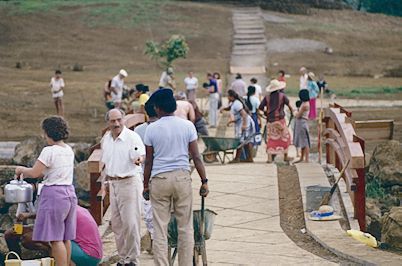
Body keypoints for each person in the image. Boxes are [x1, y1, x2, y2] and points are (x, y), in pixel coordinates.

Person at [143, 89, 209, 266]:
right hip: (181, 178)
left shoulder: (151, 129)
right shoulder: (187, 126)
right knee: (185, 227)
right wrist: (204, 181)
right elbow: (196, 157)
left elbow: (148, 161)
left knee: (160, 228)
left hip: (159, 180)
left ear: (157, 109)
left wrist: (145, 186)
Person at [15, 116, 77, 265]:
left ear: (48, 132)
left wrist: (21, 169)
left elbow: (35, 173)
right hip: (69, 193)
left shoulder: (49, 151)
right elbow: (47, 171)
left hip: (54, 195)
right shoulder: (68, 149)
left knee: (55, 240)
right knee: (65, 237)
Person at [101, 109, 145, 266]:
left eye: (119, 120)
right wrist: (104, 185)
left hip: (129, 182)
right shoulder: (106, 139)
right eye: (113, 121)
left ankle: (133, 259)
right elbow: (105, 164)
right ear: (108, 122)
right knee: (118, 225)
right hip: (113, 183)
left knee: (131, 223)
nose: (117, 123)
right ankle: (123, 257)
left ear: (123, 119)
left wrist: (139, 159)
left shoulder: (132, 137)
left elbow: (141, 155)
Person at [5, 204, 103, 266]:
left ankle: (66, 263)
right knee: (19, 235)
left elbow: (49, 232)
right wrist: (28, 216)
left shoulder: (65, 212)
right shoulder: (71, 207)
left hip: (88, 256)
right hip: (92, 254)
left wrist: (27, 225)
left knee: (30, 239)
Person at [133, 101, 158, 254]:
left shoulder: (138, 130)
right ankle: (160, 239)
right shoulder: (164, 128)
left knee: (148, 209)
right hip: (162, 172)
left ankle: (154, 239)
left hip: (144, 173)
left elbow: (136, 153)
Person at [259, 80, 294, 163]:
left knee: (271, 138)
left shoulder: (267, 97)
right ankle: (285, 156)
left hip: (270, 121)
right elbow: (290, 106)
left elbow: (260, 108)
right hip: (280, 120)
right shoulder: (283, 96)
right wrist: (292, 114)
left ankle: (269, 158)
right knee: (285, 137)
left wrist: (265, 114)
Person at [221, 90, 255, 163]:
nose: (227, 98)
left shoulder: (237, 104)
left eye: (228, 96)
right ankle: (249, 158)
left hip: (245, 121)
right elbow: (229, 108)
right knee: (246, 140)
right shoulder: (233, 103)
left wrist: (244, 125)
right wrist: (223, 109)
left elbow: (244, 114)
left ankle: (237, 158)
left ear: (232, 97)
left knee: (240, 140)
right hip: (241, 122)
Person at [293, 89, 311, 163]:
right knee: (302, 140)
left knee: (305, 141)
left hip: (302, 122)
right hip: (301, 122)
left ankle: (306, 159)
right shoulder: (304, 103)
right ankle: (302, 158)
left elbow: (298, 115)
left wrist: (295, 112)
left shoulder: (304, 105)